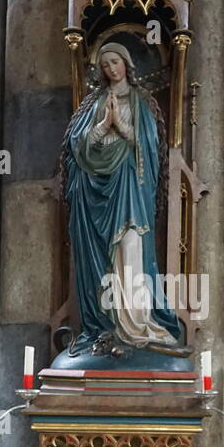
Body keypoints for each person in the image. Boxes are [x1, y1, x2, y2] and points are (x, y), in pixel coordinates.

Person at [60, 41, 183, 357]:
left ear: (127, 64)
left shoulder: (142, 102)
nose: (110, 69)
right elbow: (78, 144)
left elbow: (148, 146)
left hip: (129, 186)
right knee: (100, 261)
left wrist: (121, 125)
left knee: (130, 250)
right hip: (96, 193)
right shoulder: (94, 102)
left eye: (115, 62)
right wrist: (103, 124)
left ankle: (137, 325)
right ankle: (105, 328)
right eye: (105, 65)